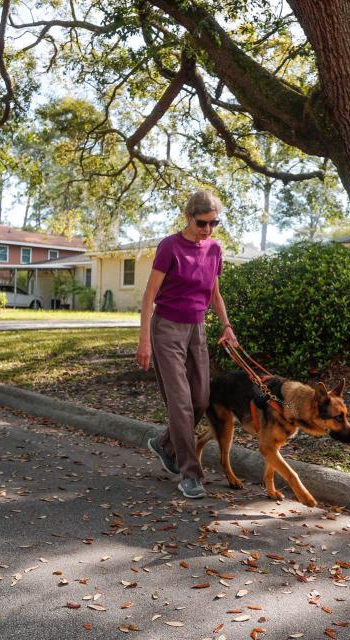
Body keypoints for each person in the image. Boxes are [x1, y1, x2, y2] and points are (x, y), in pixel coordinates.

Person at [136, 190, 237, 499]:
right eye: (202, 223)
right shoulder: (170, 246)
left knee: (200, 399)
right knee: (180, 402)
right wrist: (144, 341)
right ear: (188, 217)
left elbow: (214, 294)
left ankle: (164, 443)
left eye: (213, 223)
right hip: (166, 328)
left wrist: (227, 325)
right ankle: (189, 474)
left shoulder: (214, 249)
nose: (207, 229)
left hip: (197, 327)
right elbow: (149, 295)